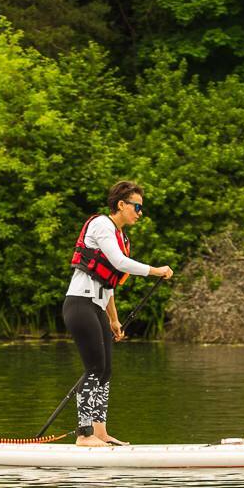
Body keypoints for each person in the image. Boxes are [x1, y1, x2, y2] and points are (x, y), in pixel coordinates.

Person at [63, 181, 173, 447]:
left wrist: (113, 319)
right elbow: (119, 263)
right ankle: (83, 434)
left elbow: (108, 283)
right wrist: (155, 270)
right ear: (121, 205)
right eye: (137, 206)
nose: (139, 212)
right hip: (79, 304)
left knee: (106, 370)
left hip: (97, 307)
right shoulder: (101, 224)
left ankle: (100, 432)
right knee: (94, 368)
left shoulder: (122, 238)